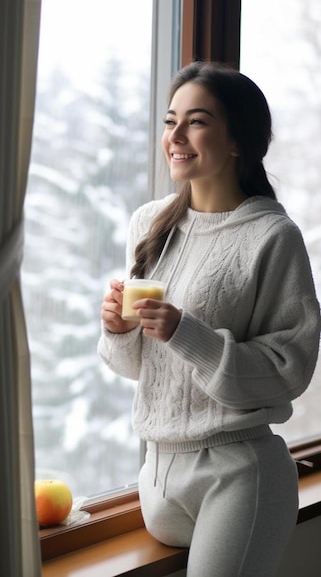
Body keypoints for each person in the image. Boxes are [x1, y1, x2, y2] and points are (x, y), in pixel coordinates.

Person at [98, 61, 321, 577]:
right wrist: (117, 329)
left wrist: (185, 332)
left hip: (238, 474)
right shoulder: (149, 223)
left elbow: (290, 368)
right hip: (155, 475)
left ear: (238, 140)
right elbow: (141, 369)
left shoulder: (272, 236)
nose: (175, 135)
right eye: (170, 120)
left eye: (196, 121)